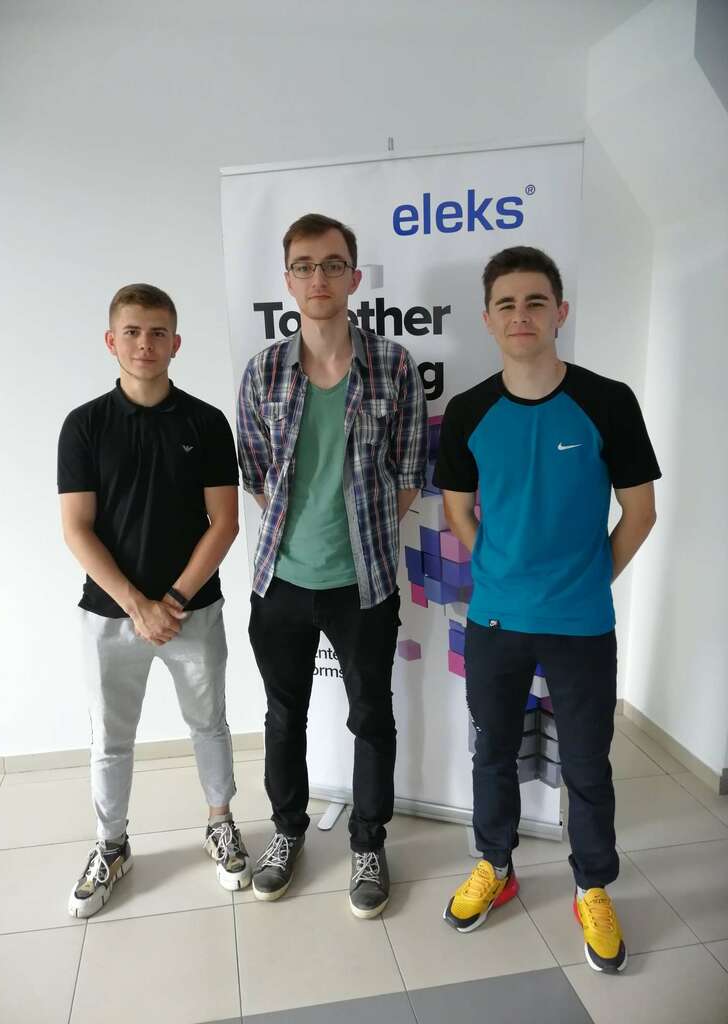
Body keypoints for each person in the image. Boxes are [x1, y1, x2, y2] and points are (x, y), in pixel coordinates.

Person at [434, 246, 660, 973]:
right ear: (488, 319)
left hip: (581, 623)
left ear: (560, 312)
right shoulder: (469, 411)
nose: (521, 315)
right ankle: (495, 866)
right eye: (506, 304)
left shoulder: (608, 401)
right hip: (495, 620)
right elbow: (458, 510)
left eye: (536, 302)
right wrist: (502, 570)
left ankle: (592, 885)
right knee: (492, 753)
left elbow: (640, 512)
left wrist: (588, 579)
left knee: (588, 763)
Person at [237, 213, 427, 918]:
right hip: (280, 583)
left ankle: (368, 843)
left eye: (333, 264)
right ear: (288, 280)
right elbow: (257, 474)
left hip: (364, 586)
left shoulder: (394, 366)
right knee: (284, 717)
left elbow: (408, 474)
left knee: (371, 716)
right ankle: (287, 833)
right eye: (305, 266)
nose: (319, 277)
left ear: (354, 276)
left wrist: (360, 535)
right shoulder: (262, 371)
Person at [58, 283, 248, 918]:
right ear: (112, 341)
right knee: (111, 738)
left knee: (209, 724)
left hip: (194, 609)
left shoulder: (206, 422)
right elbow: (76, 528)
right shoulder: (84, 426)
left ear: (176, 342)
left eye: (158, 332)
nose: (146, 344)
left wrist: (170, 599)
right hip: (108, 614)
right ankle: (111, 846)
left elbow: (224, 523)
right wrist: (138, 605)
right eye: (133, 332)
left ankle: (220, 822)